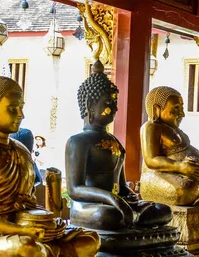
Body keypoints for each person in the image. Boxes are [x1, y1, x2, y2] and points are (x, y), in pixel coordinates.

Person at [0, 76, 99, 257]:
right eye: (13, 108)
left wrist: (52, 225)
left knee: (91, 239)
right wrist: (21, 231)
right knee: (28, 250)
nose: (21, 114)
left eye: (21, 107)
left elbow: (29, 203)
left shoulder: (22, 151)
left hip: (27, 229)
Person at [65, 61, 172, 230]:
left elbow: (120, 186)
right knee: (109, 216)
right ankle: (130, 220)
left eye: (115, 102)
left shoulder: (114, 141)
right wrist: (112, 199)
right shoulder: (78, 141)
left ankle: (132, 219)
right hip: (90, 207)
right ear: (90, 105)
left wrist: (129, 196)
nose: (115, 108)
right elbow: (74, 189)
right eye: (108, 103)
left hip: (117, 204)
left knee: (164, 211)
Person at [139, 86, 199, 206]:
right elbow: (151, 160)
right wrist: (179, 167)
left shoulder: (176, 130)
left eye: (182, 108)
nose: (182, 114)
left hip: (186, 174)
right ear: (157, 110)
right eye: (176, 109)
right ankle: (198, 194)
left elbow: (186, 152)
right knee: (186, 189)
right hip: (158, 175)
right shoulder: (151, 127)